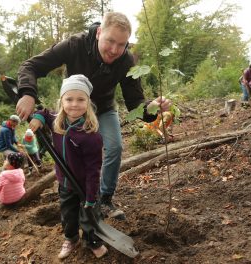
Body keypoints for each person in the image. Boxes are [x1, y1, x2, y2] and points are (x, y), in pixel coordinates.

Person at [16, 12, 171, 220]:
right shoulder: (74, 45)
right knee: (73, 155)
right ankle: (73, 195)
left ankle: (104, 199)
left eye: (122, 44)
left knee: (115, 147)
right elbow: (31, 66)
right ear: (99, 32)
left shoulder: (125, 60)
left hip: (104, 109)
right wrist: (27, 93)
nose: (115, 50)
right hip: (73, 108)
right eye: (110, 41)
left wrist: (151, 108)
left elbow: (135, 101)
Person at [29, 75, 108, 259]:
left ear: (88, 102)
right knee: (68, 215)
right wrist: (39, 117)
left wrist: (90, 195)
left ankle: (92, 240)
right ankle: (71, 238)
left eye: (81, 99)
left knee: (89, 214)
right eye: (69, 99)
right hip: (65, 182)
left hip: (86, 185)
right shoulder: (57, 122)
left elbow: (93, 169)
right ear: (62, 101)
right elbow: (45, 112)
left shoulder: (90, 135)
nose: (74, 104)